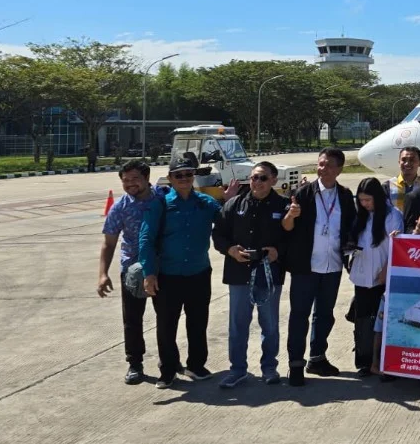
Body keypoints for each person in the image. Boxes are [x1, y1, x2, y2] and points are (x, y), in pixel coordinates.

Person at [139, 152, 224, 389]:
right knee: (166, 324)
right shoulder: (160, 205)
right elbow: (146, 239)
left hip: (199, 273)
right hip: (167, 275)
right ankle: (168, 369)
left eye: (188, 174)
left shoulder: (206, 204)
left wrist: (232, 199)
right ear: (170, 178)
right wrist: (149, 273)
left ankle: (196, 365)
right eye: (179, 175)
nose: (184, 178)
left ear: (194, 175)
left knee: (198, 322)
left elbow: (228, 221)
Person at [282, 147, 356, 386]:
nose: (324, 169)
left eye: (330, 165)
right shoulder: (303, 193)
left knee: (324, 315)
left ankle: (317, 358)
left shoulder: (345, 196)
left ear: (339, 169)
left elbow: (351, 227)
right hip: (306, 267)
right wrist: (291, 215)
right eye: (321, 164)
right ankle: (295, 364)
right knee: (299, 315)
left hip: (333, 266)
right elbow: (286, 227)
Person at [211, 161, 289, 388]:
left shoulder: (283, 206)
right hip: (239, 274)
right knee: (237, 325)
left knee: (269, 324)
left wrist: (277, 252)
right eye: (254, 177)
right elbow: (218, 235)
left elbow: (293, 238)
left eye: (263, 178)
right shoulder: (234, 204)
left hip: (269, 275)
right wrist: (231, 250)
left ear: (274, 180)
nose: (257, 182)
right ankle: (237, 370)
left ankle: (269, 367)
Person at [98, 160, 158, 384]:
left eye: (135, 179)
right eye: (125, 180)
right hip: (132, 270)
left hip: (163, 268)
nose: (130, 184)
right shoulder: (120, 207)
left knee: (167, 317)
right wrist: (103, 274)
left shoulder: (163, 198)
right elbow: (109, 243)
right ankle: (135, 363)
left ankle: (169, 360)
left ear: (147, 178)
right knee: (132, 319)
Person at [346, 178, 396, 377]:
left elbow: (396, 246)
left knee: (382, 321)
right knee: (363, 320)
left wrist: (386, 269)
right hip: (361, 276)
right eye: (361, 200)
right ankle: (364, 361)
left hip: (382, 276)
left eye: (368, 200)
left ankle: (383, 361)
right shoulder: (361, 216)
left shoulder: (392, 215)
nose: (365, 204)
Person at [383, 147, 420, 213]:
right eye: (403, 160)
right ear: (399, 162)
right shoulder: (387, 186)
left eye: (412, 160)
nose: (407, 163)